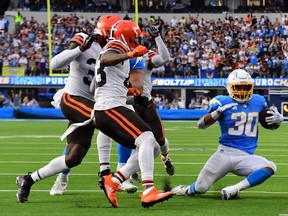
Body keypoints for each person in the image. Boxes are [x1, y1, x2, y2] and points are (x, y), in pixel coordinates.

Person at [15, 14, 122, 203]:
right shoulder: (84, 38)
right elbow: (55, 63)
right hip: (73, 99)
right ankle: (105, 172)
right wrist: (80, 48)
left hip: (89, 104)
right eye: (116, 31)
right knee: (107, 118)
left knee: (74, 157)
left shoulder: (111, 51)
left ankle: (28, 179)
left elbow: (95, 86)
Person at [93, 20, 173, 208]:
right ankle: (148, 190)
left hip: (113, 105)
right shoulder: (117, 45)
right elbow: (104, 59)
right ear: (127, 35)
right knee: (146, 138)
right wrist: (129, 54)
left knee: (152, 145)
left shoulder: (121, 48)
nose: (137, 40)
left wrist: (128, 90)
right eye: (135, 36)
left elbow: (110, 78)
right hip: (109, 107)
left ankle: (114, 181)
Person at [172, 69, 284, 200]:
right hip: (224, 154)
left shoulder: (258, 101)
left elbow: (270, 125)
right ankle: (186, 190)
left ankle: (234, 189)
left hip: (245, 157)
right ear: (230, 87)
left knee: (270, 167)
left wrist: (277, 120)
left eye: (245, 87)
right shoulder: (221, 101)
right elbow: (200, 125)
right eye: (238, 87)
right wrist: (216, 113)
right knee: (200, 188)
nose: (242, 91)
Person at [116, 25, 175, 183]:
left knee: (160, 139)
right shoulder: (120, 56)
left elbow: (164, 59)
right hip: (128, 102)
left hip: (145, 103)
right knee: (136, 140)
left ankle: (166, 157)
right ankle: (132, 169)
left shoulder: (145, 57)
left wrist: (158, 37)